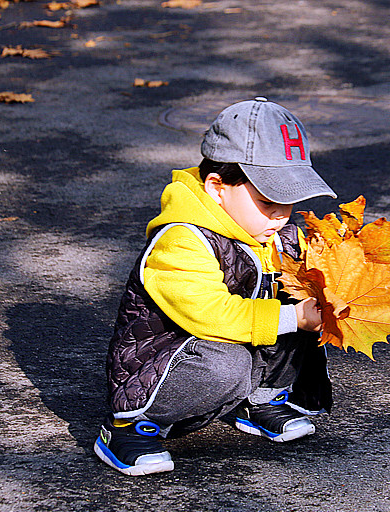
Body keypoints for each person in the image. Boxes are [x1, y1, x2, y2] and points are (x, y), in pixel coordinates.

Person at [94, 97, 337, 476]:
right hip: (166, 363)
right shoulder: (182, 238)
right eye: (267, 199)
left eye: (289, 201)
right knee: (230, 362)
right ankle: (131, 425)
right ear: (217, 186)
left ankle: (256, 400)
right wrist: (291, 317)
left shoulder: (279, 235)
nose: (280, 213)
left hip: (235, 350)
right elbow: (210, 314)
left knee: (301, 317)